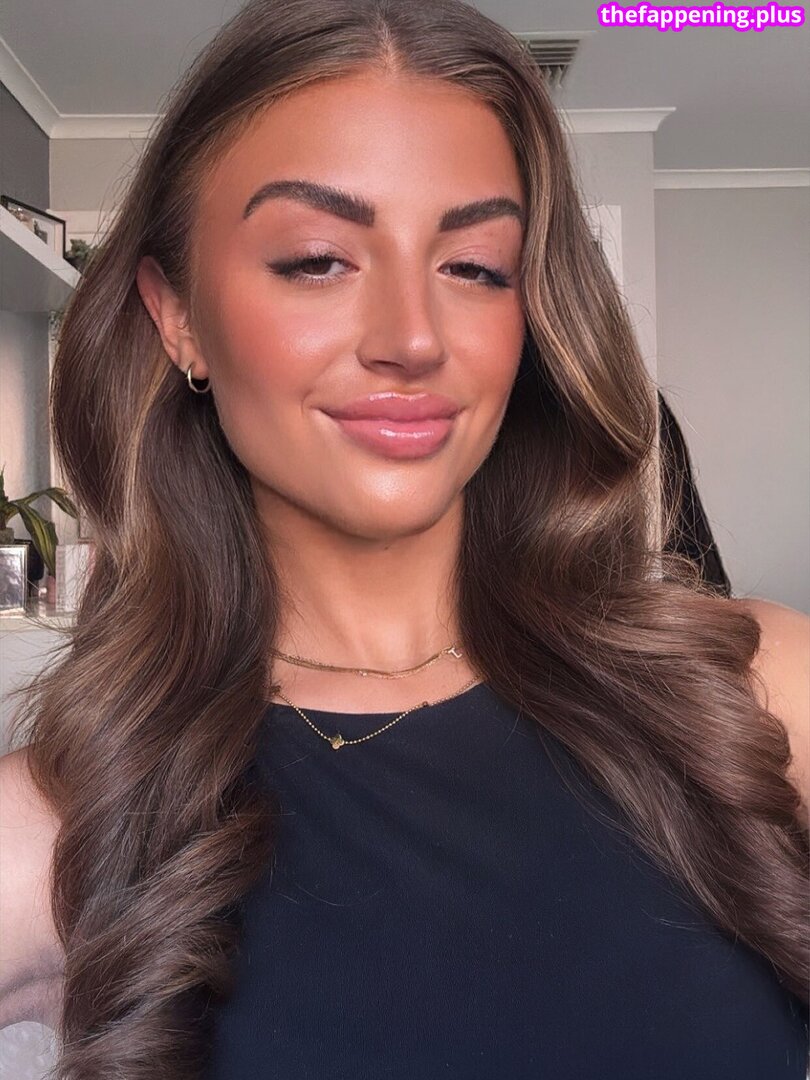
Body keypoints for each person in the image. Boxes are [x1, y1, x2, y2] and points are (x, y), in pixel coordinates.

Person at [1, 0, 807, 1077]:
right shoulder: (61, 827)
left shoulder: (758, 697)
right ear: (177, 315)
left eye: (475, 267)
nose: (413, 339)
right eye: (316, 260)